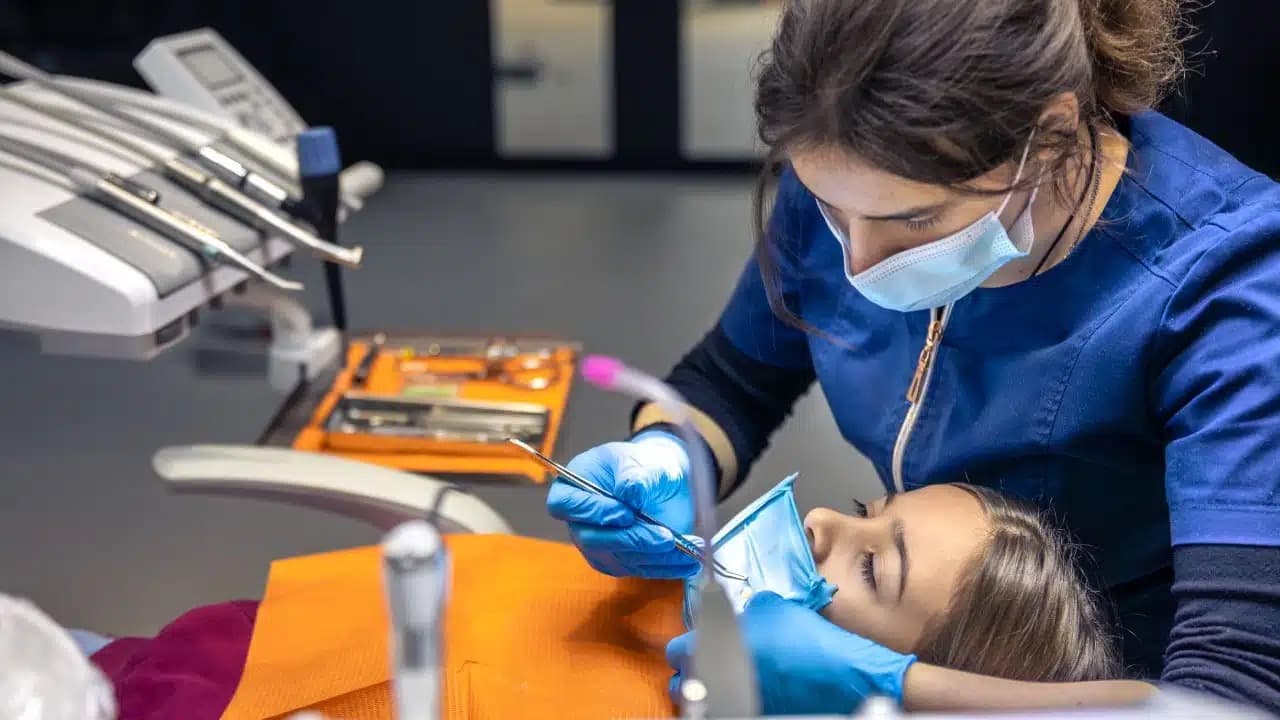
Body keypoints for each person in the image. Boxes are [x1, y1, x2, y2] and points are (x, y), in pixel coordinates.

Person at [547, 0, 1280, 714]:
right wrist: (668, 458)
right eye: (832, 210)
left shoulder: (1229, 290)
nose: (860, 263)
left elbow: (1231, 693)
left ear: (1051, 134)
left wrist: (895, 687)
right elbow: (731, 382)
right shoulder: (853, 173)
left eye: (916, 220)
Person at [87, 483, 1118, 720]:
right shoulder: (676, 604)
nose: (816, 530)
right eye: (859, 511)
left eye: (869, 569)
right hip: (208, 654)